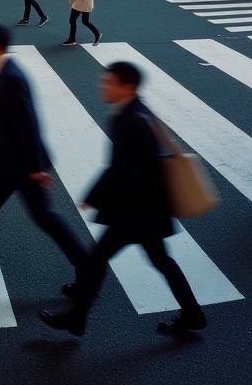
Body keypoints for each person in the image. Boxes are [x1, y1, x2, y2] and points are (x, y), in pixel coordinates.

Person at [38, 60, 206, 338]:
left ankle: (76, 319)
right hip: (147, 209)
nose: (102, 86)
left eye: (109, 82)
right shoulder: (137, 112)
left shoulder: (131, 121)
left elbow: (125, 169)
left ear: (126, 87)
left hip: (134, 212)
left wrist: (95, 197)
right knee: (160, 261)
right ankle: (192, 314)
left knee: (98, 260)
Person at [0, 24, 87, 278]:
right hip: (9, 163)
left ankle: (86, 265)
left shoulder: (10, 77)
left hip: (22, 166)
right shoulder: (4, 72)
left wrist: (35, 169)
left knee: (44, 216)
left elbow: (28, 124)